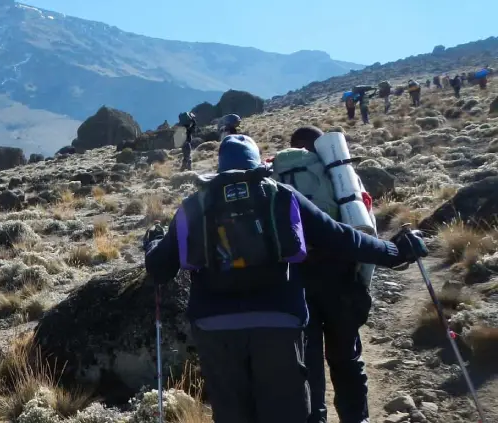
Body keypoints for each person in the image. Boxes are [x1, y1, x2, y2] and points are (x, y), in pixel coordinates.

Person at [143, 135, 429, 423]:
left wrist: (153, 244)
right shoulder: (281, 195)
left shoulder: (193, 206)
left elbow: (160, 269)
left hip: (214, 328)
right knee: (285, 409)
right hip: (279, 322)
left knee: (232, 410)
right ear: (257, 163)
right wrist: (395, 251)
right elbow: (341, 238)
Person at [272, 126, 375, 423]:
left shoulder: (276, 179)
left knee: (308, 363)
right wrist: (361, 283)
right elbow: (365, 229)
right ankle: (357, 418)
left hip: (296, 283)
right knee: (347, 358)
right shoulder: (341, 177)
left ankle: (315, 417)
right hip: (340, 278)